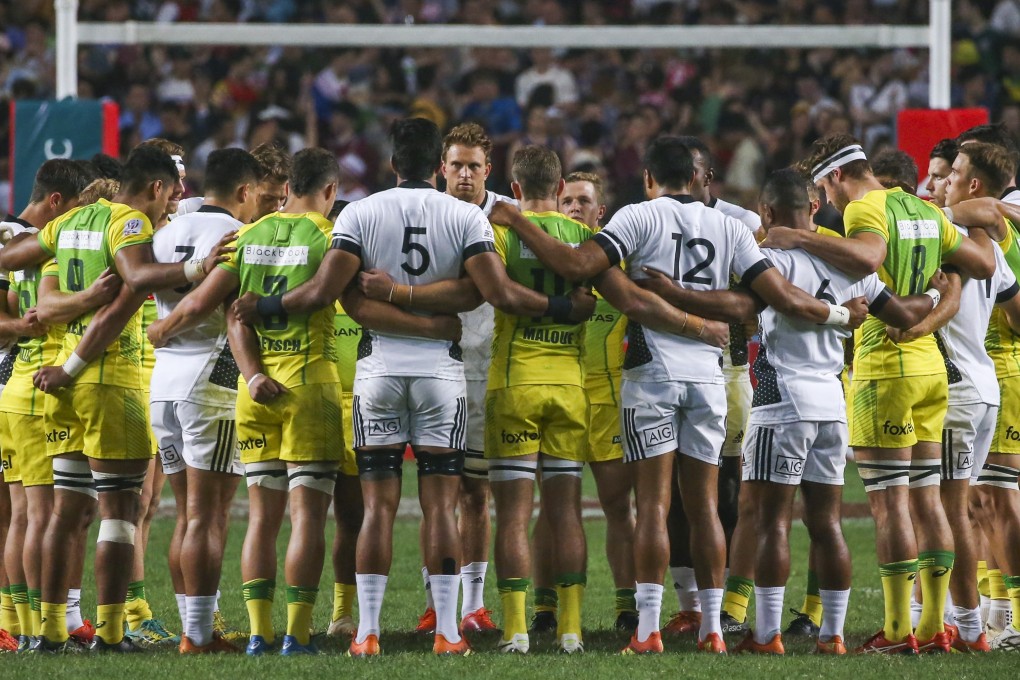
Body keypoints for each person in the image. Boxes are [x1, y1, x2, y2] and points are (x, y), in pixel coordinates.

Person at [491, 136, 868, 655]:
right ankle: (713, 629)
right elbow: (749, 302)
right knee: (705, 506)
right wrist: (702, 313)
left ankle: (647, 630)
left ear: (649, 179)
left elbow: (579, 267)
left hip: (651, 374)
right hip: (711, 379)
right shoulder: (729, 226)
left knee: (653, 505)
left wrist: (517, 221)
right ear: (700, 178)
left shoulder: (637, 218)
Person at [232, 118, 593, 657]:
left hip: (377, 372)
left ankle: (368, 632)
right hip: (440, 375)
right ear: (437, 167)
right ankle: (448, 632)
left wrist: (267, 305)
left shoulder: (360, 211)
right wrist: (431, 317)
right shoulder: (463, 215)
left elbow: (343, 297)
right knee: (441, 506)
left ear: (392, 162)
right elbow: (484, 292)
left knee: (377, 508)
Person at [760, 133, 996, 654]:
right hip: (933, 368)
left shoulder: (867, 206)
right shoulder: (924, 208)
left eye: (825, 186)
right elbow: (982, 262)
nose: (829, 199)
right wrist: (944, 284)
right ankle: (935, 626)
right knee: (930, 501)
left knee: (892, 506)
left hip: (884, 369)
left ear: (837, 175)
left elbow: (868, 257)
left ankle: (896, 632)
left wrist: (798, 239)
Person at [1, 145, 226, 652]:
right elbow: (139, 280)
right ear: (156, 187)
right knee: (120, 512)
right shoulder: (129, 224)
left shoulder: (71, 221)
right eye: (172, 193)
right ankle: (109, 631)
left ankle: (51, 633)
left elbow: (14, 259)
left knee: (65, 511)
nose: (174, 203)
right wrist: (199, 268)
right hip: (110, 379)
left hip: (59, 384)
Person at [735, 168, 945, 656]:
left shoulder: (768, 260)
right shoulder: (855, 268)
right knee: (826, 522)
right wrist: (937, 291)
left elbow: (752, 307)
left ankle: (765, 636)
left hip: (781, 400)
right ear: (814, 209)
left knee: (773, 523)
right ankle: (832, 636)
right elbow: (907, 316)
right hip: (833, 403)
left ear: (766, 213)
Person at [146, 148, 344, 657]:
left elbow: (232, 312)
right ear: (329, 190)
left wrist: (251, 372)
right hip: (293, 382)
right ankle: (290, 635)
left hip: (225, 386)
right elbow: (328, 294)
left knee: (237, 517)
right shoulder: (328, 235)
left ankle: (252, 632)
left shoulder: (215, 233)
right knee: (297, 517)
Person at [148, 148, 262, 653]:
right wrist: (163, 329)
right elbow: (201, 303)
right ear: (243, 191)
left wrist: (163, 330)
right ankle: (196, 635)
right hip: (207, 385)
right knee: (208, 517)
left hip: (164, 384)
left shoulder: (167, 230)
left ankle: (194, 625)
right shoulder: (234, 236)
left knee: (186, 513)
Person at [412, 122, 515, 636]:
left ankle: (472, 604)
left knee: (476, 493)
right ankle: (437, 602)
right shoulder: (424, 214)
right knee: (436, 493)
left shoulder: (504, 219)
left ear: (488, 171)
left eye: (475, 166)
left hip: (483, 367)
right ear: (441, 168)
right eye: (457, 165)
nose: (466, 175)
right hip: (430, 362)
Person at [530, 171, 637, 636]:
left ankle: (627, 606)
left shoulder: (622, 264)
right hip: (557, 392)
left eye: (583, 201)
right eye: (567, 200)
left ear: (601, 212)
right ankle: (544, 608)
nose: (574, 207)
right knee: (553, 508)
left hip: (608, 396)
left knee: (618, 506)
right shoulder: (541, 260)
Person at [0, 160, 98, 651]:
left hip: (15, 387)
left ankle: (17, 624)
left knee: (21, 515)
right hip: (38, 388)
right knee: (41, 516)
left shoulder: (9, 241)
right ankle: (41, 627)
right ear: (58, 201)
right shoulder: (47, 244)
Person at [945, 142, 1020, 651]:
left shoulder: (979, 223)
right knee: (981, 502)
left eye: (950, 173)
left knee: (992, 501)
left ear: (974, 184)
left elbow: (987, 208)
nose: (942, 182)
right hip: (996, 377)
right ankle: (998, 616)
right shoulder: (1002, 229)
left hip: (994, 373)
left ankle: (997, 620)